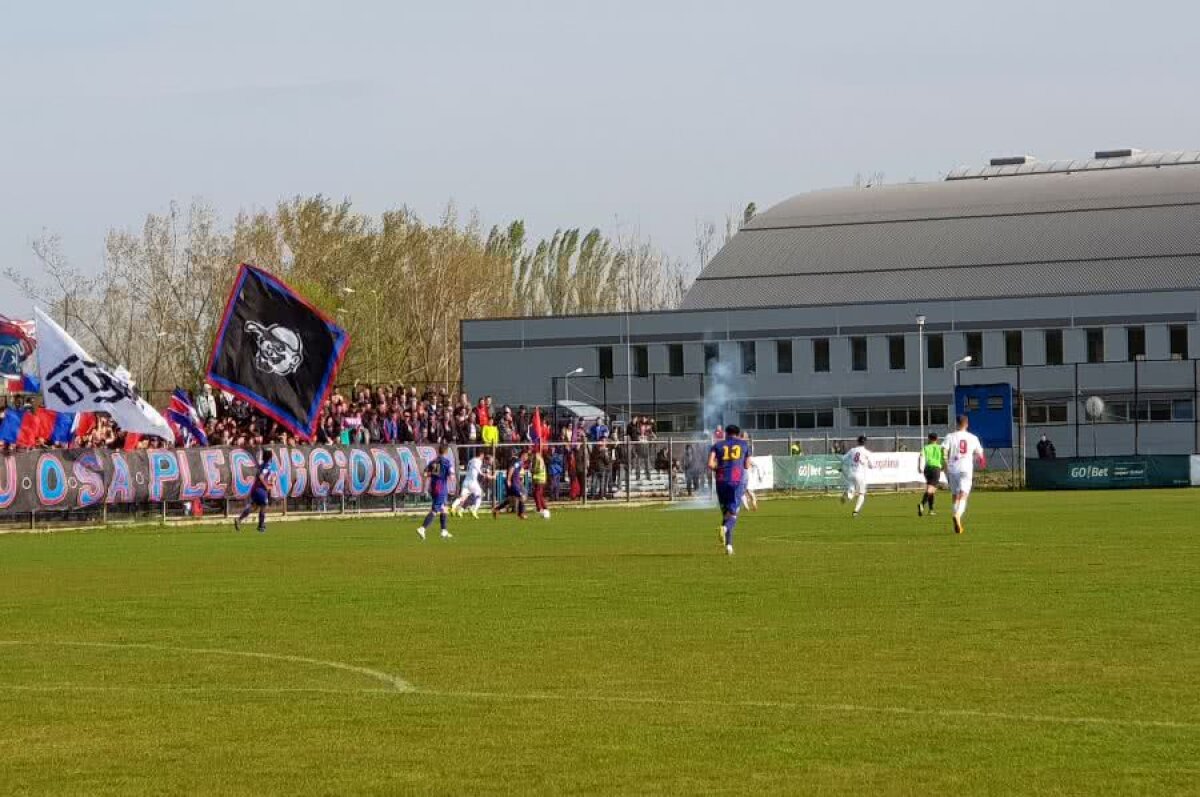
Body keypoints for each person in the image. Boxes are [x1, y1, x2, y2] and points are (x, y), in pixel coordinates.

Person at [708, 423, 749, 556]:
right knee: (733, 514)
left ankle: (729, 547)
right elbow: (747, 465)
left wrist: (719, 468)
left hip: (720, 481)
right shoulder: (744, 445)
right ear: (738, 434)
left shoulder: (717, 445)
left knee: (726, 514)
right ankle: (724, 529)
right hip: (735, 480)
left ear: (725, 433)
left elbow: (710, 464)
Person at [943, 415, 986, 534]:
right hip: (966, 468)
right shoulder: (973, 437)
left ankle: (956, 518)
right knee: (964, 494)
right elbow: (980, 454)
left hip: (953, 468)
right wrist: (980, 459)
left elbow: (944, 450)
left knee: (955, 495)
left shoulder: (950, 436)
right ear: (967, 424)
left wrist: (945, 464)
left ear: (956, 424)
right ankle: (957, 515)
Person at [417, 443, 454, 540]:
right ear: (446, 452)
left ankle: (444, 531)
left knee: (444, 508)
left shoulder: (433, 461)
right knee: (435, 510)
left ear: (438, 451)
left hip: (433, 487)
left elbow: (424, 474)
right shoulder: (446, 462)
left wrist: (433, 475)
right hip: (441, 487)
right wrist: (450, 477)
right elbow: (451, 476)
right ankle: (422, 528)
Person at [234, 450, 275, 533]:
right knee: (263, 507)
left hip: (255, 489)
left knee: (254, 506)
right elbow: (260, 476)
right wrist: (267, 485)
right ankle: (261, 526)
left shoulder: (261, 465)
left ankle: (239, 520)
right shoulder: (267, 466)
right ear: (270, 457)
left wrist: (271, 480)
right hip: (261, 489)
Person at [450, 450, 491, 519]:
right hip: (473, 481)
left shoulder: (471, 460)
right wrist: (483, 474)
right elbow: (478, 469)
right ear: (481, 455)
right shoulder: (478, 461)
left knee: (462, 497)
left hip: (466, 481)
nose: (483, 457)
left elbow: (469, 468)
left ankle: (453, 507)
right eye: (482, 456)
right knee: (480, 494)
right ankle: (474, 510)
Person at [841, 436, 872, 517]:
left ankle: (847, 495)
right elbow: (871, 465)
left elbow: (843, 458)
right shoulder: (867, 452)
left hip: (851, 473)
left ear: (857, 442)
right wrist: (867, 463)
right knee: (861, 494)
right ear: (865, 443)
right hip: (860, 475)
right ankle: (855, 511)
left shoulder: (852, 450)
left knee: (852, 490)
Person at [493, 450, 529, 519]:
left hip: (515, 482)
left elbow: (515, 471)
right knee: (523, 496)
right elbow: (511, 468)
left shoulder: (519, 461)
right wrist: (509, 479)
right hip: (514, 483)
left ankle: (496, 509)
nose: (527, 457)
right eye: (526, 456)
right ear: (523, 455)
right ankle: (521, 514)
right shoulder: (518, 461)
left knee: (511, 500)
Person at [917, 431, 944, 517]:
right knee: (931, 489)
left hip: (927, 468)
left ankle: (931, 510)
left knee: (931, 489)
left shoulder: (925, 447)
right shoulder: (940, 448)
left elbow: (921, 456)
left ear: (929, 439)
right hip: (936, 469)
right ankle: (922, 504)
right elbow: (944, 457)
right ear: (937, 439)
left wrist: (920, 467)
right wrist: (943, 466)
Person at [741, 434, 759, 511]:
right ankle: (749, 505)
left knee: (745, 490)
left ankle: (751, 504)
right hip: (743, 471)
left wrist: (752, 465)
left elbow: (749, 460)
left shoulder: (745, 447)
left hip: (744, 471)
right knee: (745, 490)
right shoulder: (745, 446)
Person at [531, 448, 550, 518]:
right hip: (538, 479)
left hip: (540, 479)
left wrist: (532, 470)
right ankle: (544, 508)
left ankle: (539, 508)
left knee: (537, 494)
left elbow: (538, 469)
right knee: (539, 494)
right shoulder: (537, 458)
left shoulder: (538, 459)